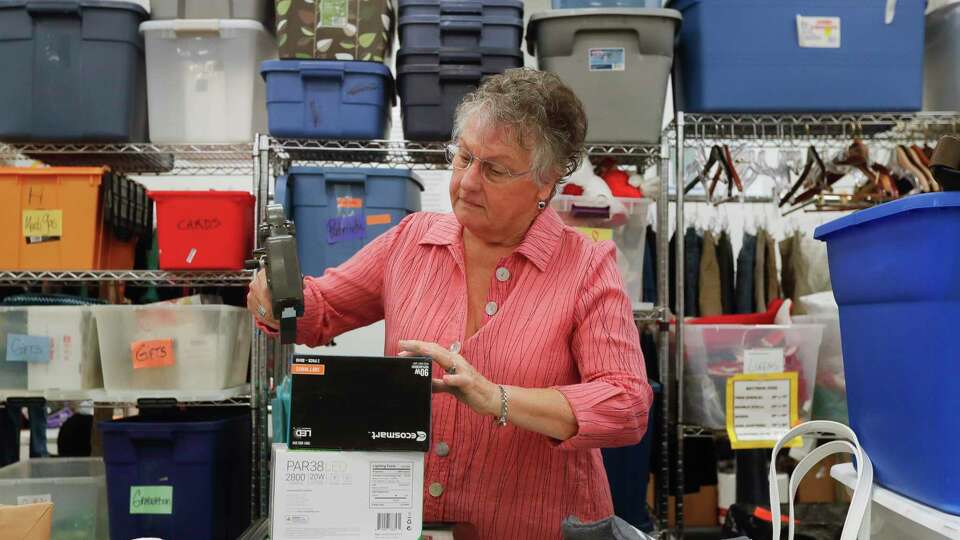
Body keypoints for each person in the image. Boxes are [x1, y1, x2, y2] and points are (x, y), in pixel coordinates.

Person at [248, 68, 653, 539]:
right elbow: (319, 309)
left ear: (545, 184)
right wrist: (274, 301)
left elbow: (627, 403)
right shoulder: (411, 240)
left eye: (495, 169)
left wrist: (497, 398)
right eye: (463, 157)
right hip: (413, 522)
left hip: (543, 526)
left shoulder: (585, 267)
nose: (468, 182)